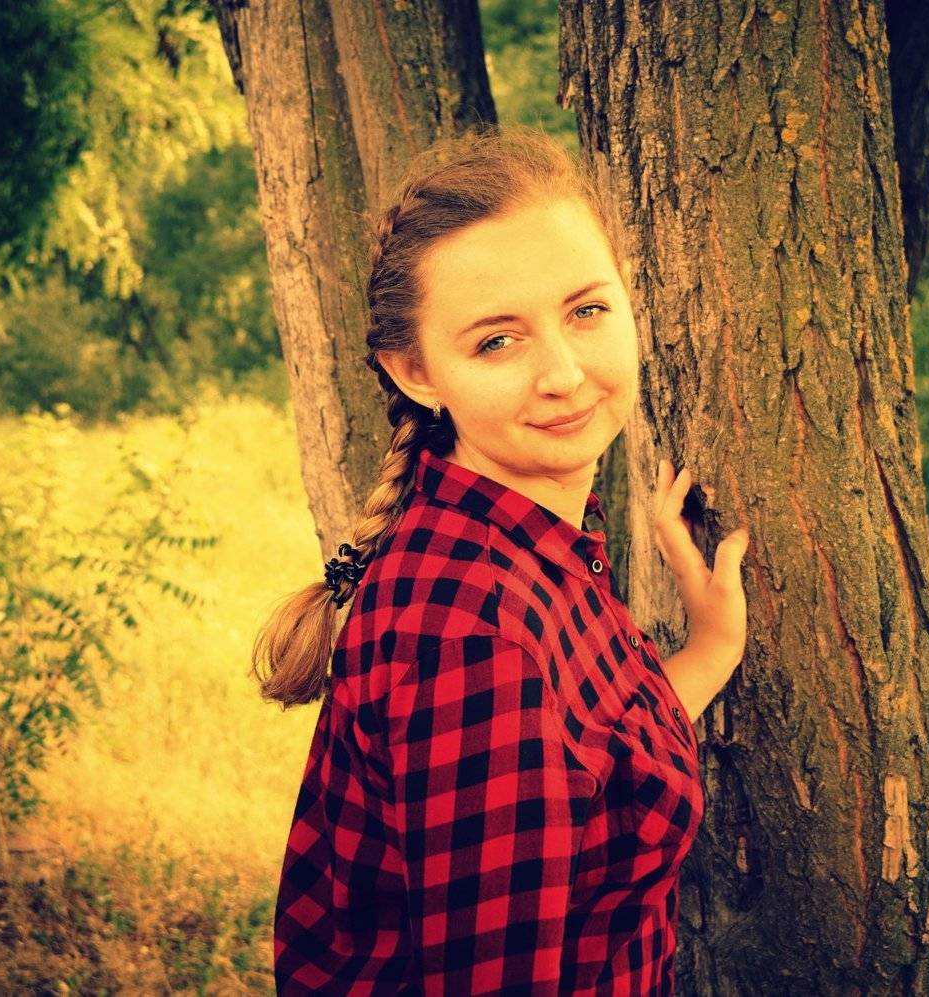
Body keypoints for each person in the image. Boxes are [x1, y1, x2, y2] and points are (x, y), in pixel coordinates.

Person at [256, 126, 750, 995]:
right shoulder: (469, 634)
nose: (562, 373)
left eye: (586, 311)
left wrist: (709, 650)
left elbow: (587, 779)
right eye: (497, 341)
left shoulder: (528, 539)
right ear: (416, 372)